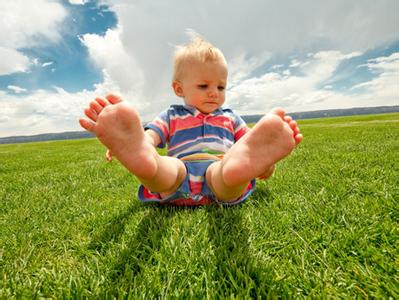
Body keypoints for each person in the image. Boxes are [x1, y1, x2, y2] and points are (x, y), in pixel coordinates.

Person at [79, 36, 302, 206]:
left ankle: (236, 171)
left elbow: (251, 145)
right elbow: (151, 136)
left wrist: (265, 164)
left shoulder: (230, 118)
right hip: (180, 174)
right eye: (204, 86)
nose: (214, 93)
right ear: (179, 88)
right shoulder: (172, 115)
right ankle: (146, 162)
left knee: (227, 171)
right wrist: (134, 143)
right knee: (169, 168)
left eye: (221, 86)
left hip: (218, 171)